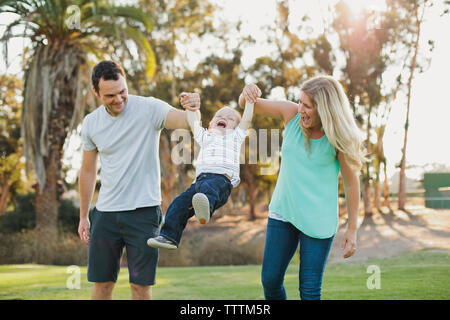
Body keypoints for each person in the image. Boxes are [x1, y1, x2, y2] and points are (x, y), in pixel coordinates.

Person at [77, 60, 197, 300]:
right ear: (96, 92)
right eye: (110, 95)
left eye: (123, 91)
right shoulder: (91, 123)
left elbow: (184, 121)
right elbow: (88, 171)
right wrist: (83, 216)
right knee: (101, 286)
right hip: (106, 214)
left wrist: (193, 108)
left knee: (140, 287)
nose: (119, 99)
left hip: (143, 213)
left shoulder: (149, 108)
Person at [240, 75, 365, 300]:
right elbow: (247, 104)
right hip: (284, 212)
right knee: (270, 280)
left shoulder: (338, 138)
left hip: (319, 220)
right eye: (300, 102)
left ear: (324, 109)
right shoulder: (291, 114)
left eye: (307, 106)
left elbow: (351, 184)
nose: (301, 109)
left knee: (309, 291)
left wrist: (352, 230)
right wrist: (247, 92)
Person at [147, 92, 254, 249]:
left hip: (221, 182)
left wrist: (250, 102)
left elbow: (246, 119)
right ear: (210, 125)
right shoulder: (206, 137)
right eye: (219, 116)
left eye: (230, 118)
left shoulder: (235, 137)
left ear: (236, 128)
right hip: (198, 183)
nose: (224, 118)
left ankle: (206, 208)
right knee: (178, 204)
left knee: (207, 189)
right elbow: (193, 122)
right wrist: (191, 107)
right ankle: (168, 236)